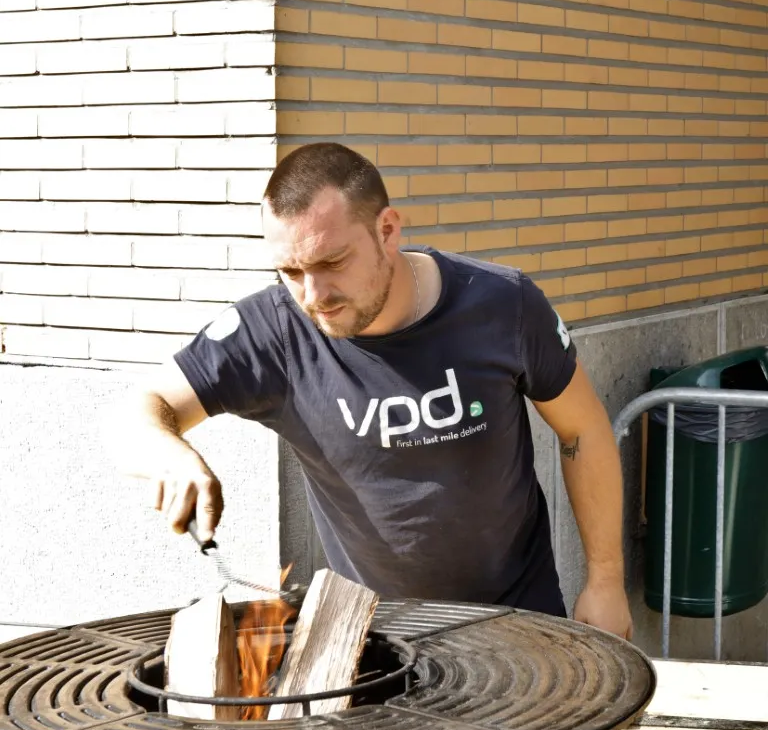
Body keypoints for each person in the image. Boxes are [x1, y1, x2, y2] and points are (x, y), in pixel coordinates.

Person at [117, 142, 632, 638]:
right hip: (372, 639)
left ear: (387, 229)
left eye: (332, 262)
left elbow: (581, 427)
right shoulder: (272, 333)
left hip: (519, 618)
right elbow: (143, 408)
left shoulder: (504, 304)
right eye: (291, 271)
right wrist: (169, 453)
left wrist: (606, 581)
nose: (313, 296)